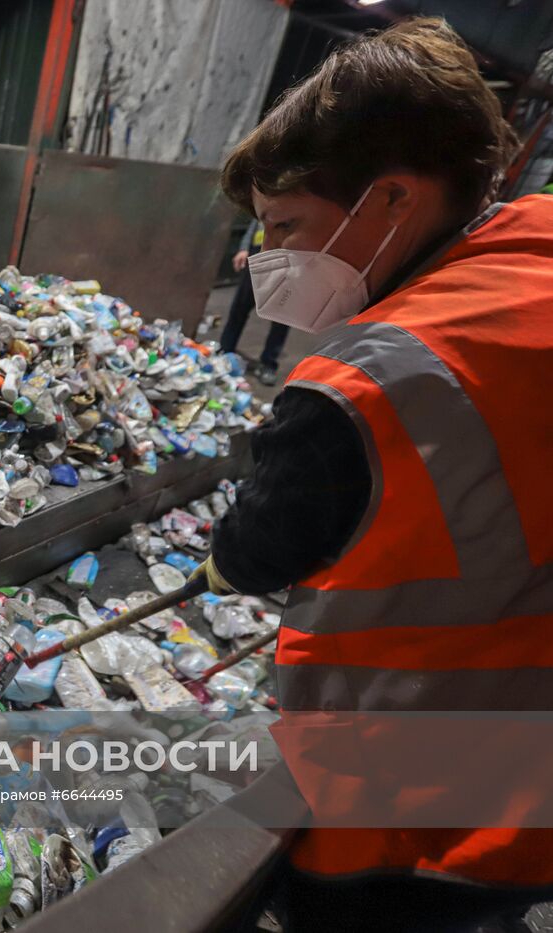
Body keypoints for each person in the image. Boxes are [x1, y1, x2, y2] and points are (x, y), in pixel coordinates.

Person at [191, 17, 553, 931]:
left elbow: (258, 549)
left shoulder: (369, 380)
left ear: (392, 200)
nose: (262, 259)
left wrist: (225, 565)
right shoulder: (533, 257)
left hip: (417, 802)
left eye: (287, 228)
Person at [218, 216, 289, 385]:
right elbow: (256, 220)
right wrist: (244, 248)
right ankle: (224, 351)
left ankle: (268, 364)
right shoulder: (271, 194)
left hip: (287, 256)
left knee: (283, 314)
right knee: (240, 307)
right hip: (258, 251)